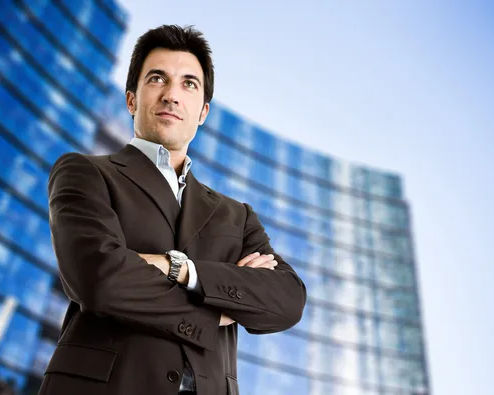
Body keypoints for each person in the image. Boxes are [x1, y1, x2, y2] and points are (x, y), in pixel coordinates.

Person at [38, 25, 307, 395]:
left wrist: (178, 268)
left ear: (203, 113)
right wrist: (218, 310)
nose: (172, 95)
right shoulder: (85, 172)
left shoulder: (237, 215)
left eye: (189, 84)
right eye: (157, 78)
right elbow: (100, 280)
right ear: (131, 100)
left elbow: (286, 300)